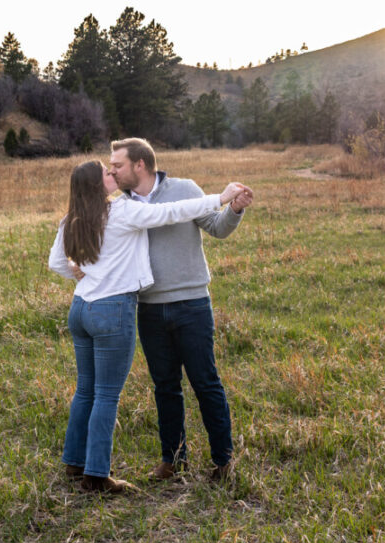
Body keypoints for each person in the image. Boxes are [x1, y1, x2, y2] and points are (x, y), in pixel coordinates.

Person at [48, 160, 246, 494]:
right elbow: (171, 212)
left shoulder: (73, 218)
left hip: (80, 308)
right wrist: (220, 197)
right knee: (106, 395)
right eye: (107, 174)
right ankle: (96, 475)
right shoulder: (121, 212)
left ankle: (73, 462)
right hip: (111, 310)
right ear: (98, 186)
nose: (114, 175)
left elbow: (56, 262)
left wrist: (79, 273)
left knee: (86, 389)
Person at [107, 138, 253, 482]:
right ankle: (173, 461)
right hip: (149, 310)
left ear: (140, 165)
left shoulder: (185, 189)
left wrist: (233, 210)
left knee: (206, 382)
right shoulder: (120, 206)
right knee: (165, 386)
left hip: (192, 305)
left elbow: (217, 228)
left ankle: (223, 461)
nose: (112, 170)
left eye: (118, 165)